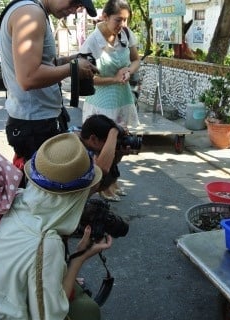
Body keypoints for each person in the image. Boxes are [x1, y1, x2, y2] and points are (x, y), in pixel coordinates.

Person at [0, 133, 113, 320]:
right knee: (87, 313)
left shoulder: (11, 199)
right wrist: (79, 258)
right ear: (79, 195)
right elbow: (49, 319)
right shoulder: (46, 242)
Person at [0, 0, 99, 174]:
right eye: (73, 2)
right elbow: (28, 78)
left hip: (37, 121)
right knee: (45, 194)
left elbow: (38, 65)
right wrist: (72, 68)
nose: (74, 9)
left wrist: (69, 61)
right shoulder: (30, 14)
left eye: (79, 6)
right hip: (35, 124)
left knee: (44, 189)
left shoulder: (36, 12)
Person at [79, 0, 140, 201]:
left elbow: (135, 59)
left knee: (121, 145)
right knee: (103, 147)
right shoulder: (92, 42)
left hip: (122, 98)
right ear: (105, 17)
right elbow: (87, 78)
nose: (122, 24)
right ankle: (103, 184)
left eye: (125, 20)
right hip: (101, 101)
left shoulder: (126, 34)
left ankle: (112, 180)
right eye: (118, 19)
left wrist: (128, 72)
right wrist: (113, 78)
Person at [76, 114, 130, 198]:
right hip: (62, 197)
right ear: (93, 139)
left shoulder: (81, 134)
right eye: (107, 141)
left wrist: (119, 154)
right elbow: (101, 170)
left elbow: (111, 165)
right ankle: (78, 202)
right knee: (100, 178)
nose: (111, 144)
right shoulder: (79, 152)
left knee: (109, 172)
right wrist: (114, 131)